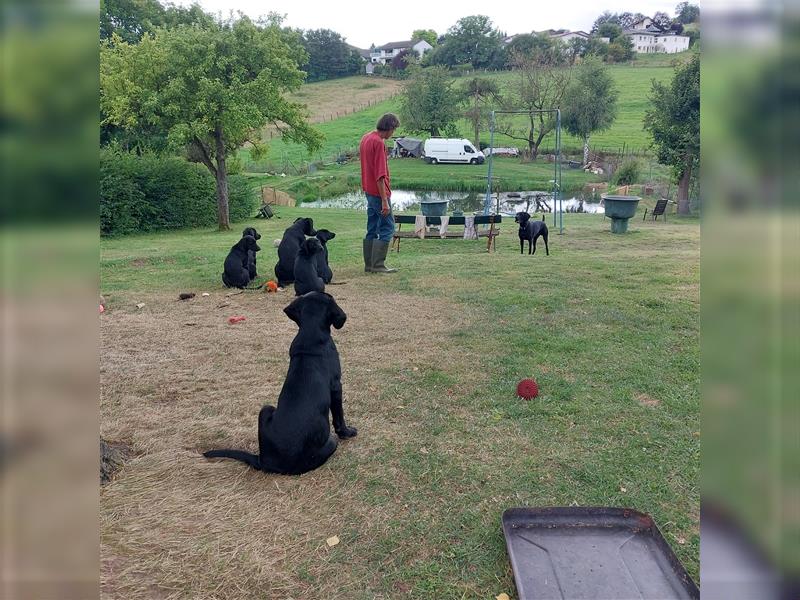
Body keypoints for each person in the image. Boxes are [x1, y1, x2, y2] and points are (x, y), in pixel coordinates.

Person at [360, 113, 400, 273]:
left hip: (368, 191)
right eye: (394, 129)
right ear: (389, 127)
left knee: (372, 226)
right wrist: (384, 199)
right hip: (378, 193)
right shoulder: (378, 143)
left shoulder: (366, 138)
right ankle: (378, 265)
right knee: (387, 226)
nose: (393, 133)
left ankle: (369, 265)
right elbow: (380, 174)